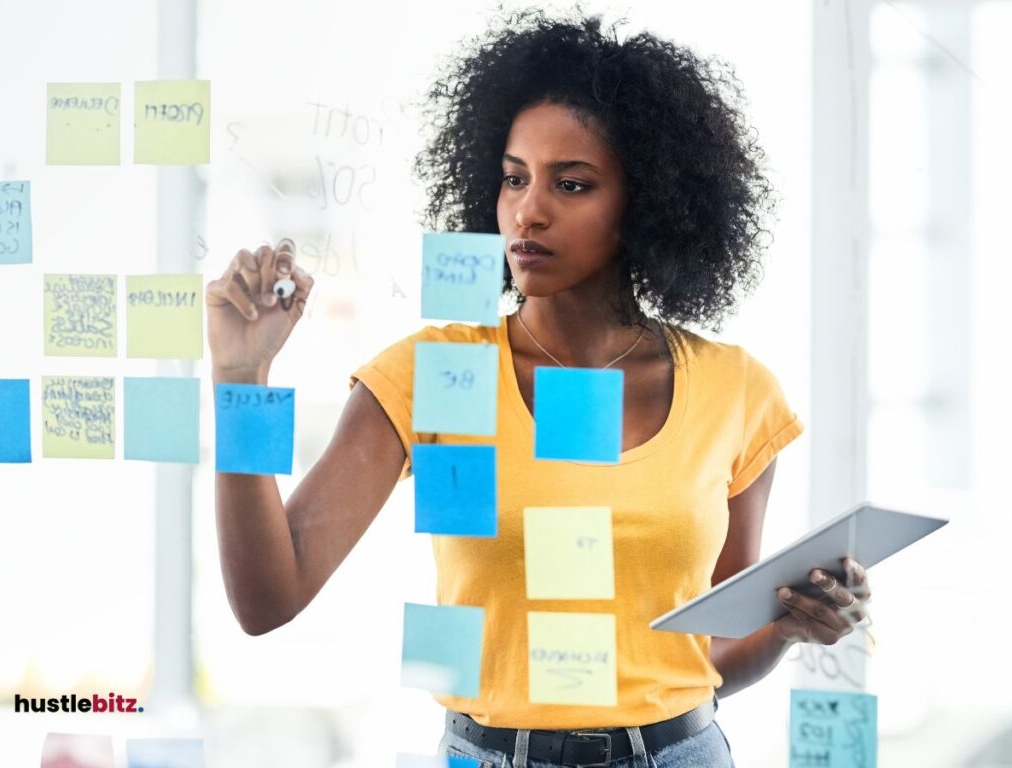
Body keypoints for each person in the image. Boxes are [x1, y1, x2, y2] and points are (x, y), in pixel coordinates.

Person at [205, 8, 872, 767]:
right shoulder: (433, 373)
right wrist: (240, 379)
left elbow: (705, 655)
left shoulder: (737, 390)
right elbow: (267, 599)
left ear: (646, 203)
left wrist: (788, 627)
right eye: (514, 178)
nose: (530, 210)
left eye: (573, 184)